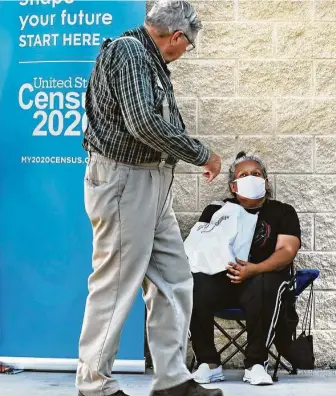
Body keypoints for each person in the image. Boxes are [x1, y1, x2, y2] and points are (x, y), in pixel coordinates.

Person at [76, 1, 223, 396]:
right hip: (125, 180)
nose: (185, 52)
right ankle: (94, 385)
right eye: (188, 45)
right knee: (116, 281)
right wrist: (200, 153)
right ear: (176, 37)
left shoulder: (149, 60)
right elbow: (143, 122)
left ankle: (172, 379)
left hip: (152, 182)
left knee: (174, 279)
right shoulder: (129, 52)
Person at [190, 151, 301, 386]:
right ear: (233, 186)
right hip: (224, 277)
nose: (251, 177)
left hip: (262, 279)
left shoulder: (282, 211)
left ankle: (256, 364)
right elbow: (200, 248)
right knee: (192, 282)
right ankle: (208, 362)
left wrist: (255, 268)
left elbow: (287, 251)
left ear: (266, 182)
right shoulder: (217, 210)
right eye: (244, 174)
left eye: (256, 174)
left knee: (265, 282)